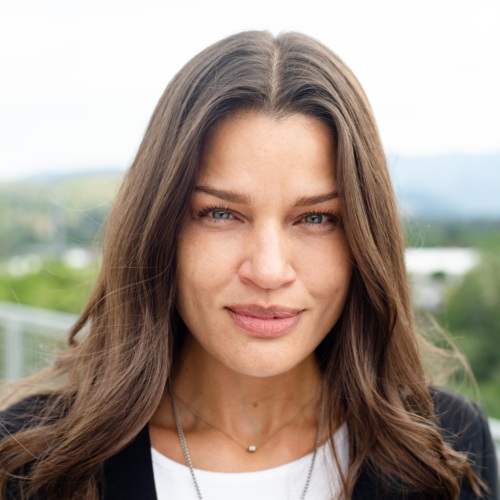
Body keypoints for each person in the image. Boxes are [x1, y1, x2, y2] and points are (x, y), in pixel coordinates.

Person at [0, 30, 498, 500]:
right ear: (160, 230)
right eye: (220, 213)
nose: (268, 269)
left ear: (365, 240)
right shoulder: (28, 461)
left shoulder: (446, 449)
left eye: (317, 218)